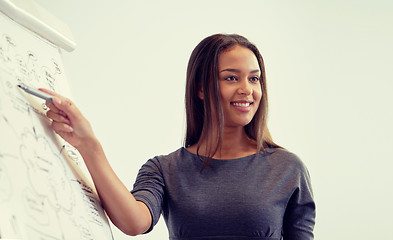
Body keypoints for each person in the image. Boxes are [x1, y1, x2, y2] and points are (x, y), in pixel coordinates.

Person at [41, 34, 316, 239]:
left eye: (254, 79)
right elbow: (134, 222)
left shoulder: (288, 169)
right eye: (231, 78)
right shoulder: (165, 169)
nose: (247, 89)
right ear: (200, 89)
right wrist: (89, 145)